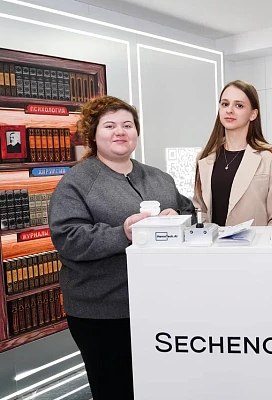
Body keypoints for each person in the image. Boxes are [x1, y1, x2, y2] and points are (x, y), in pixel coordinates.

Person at [48, 95, 194, 399]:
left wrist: (178, 218)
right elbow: (68, 238)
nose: (120, 132)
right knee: (116, 389)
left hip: (161, 305)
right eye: (110, 125)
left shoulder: (159, 178)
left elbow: (189, 212)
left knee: (161, 388)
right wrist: (123, 233)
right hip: (103, 312)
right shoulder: (76, 183)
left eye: (127, 125)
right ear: (93, 134)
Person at [193, 80, 272, 227]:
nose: (229, 110)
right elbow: (200, 212)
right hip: (213, 241)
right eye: (225, 104)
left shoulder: (271, 157)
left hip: (256, 241)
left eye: (239, 105)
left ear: (253, 114)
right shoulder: (205, 157)